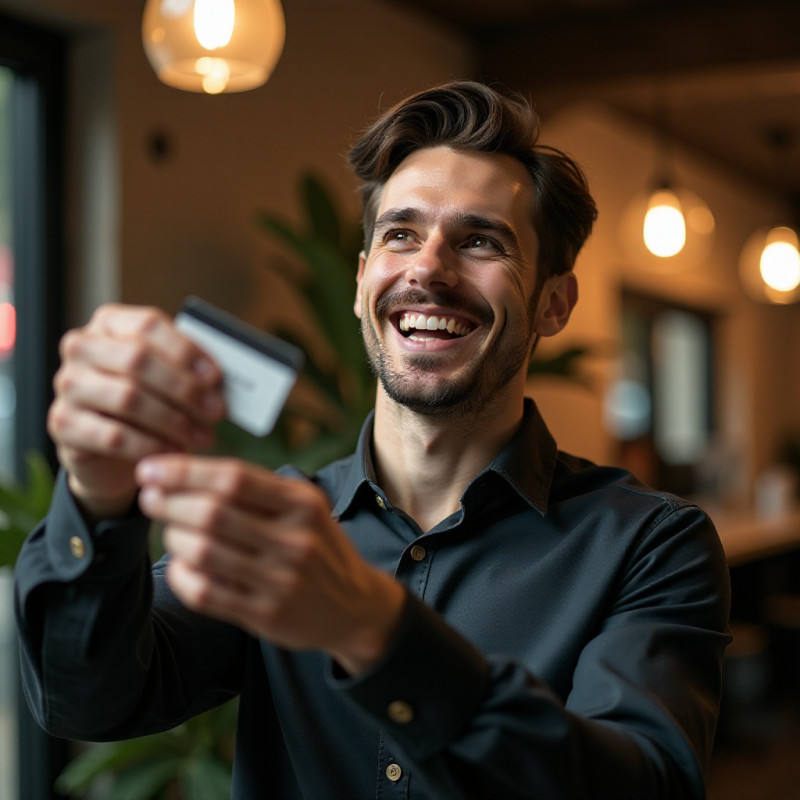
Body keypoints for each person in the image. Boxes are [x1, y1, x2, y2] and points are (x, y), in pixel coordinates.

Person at [15, 81, 730, 799]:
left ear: (553, 302)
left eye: (480, 240)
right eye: (400, 233)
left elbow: (647, 786)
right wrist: (99, 495)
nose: (427, 269)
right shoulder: (280, 526)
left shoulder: (652, 546)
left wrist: (377, 632)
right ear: (363, 284)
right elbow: (89, 700)